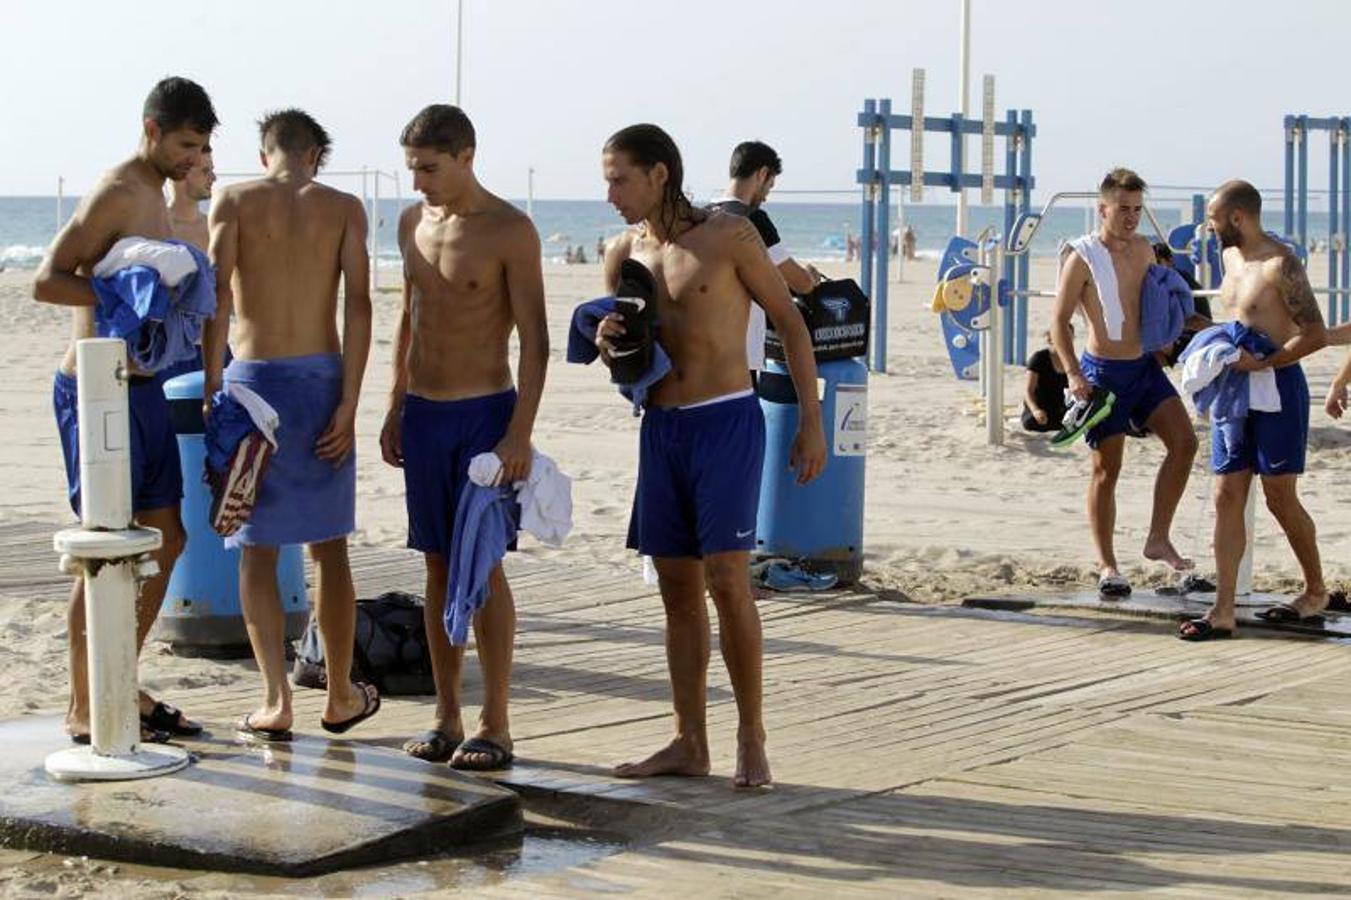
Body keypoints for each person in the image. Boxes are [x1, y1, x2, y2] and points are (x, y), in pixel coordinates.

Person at [596, 124, 827, 788]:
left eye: (619, 179)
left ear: (659, 174)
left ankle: (750, 737)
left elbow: (789, 320)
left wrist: (809, 421)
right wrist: (613, 343)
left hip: (725, 421)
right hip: (662, 429)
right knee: (675, 590)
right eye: (606, 179)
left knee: (727, 582)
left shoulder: (728, 236)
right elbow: (627, 359)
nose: (609, 194)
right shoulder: (623, 254)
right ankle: (687, 741)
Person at [32, 76, 217, 744]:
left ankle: (119, 679)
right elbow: (47, 279)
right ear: (152, 130)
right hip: (92, 389)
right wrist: (118, 292)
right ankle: (86, 703)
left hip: (144, 390)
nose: (192, 157)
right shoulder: (118, 190)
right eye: (184, 144)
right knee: (104, 549)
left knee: (169, 539)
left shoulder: (163, 196)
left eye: (200, 146)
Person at [382, 105, 548, 770]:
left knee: (483, 562)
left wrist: (519, 434)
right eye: (412, 168)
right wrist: (394, 404)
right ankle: (446, 714)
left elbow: (535, 341)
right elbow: (407, 317)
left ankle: (495, 722)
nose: (419, 181)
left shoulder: (509, 229)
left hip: (484, 412)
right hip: (423, 411)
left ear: (465, 156)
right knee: (435, 563)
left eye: (429, 167)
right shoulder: (409, 223)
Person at [204, 108, 378, 740]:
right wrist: (350, 403)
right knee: (329, 548)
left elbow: (216, 296)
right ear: (316, 156)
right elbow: (358, 305)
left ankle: (276, 699)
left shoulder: (234, 198)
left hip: (252, 382)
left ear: (264, 153)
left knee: (255, 549)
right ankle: (337, 694)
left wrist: (211, 384)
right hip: (322, 383)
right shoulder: (342, 206)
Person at [1179, 180, 1328, 640]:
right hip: (1235, 388)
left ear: (1238, 217)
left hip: (1279, 386)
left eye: (1214, 218)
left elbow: (1315, 333)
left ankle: (1316, 590)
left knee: (1281, 498)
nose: (1209, 226)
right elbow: (1240, 319)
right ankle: (1222, 609)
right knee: (1227, 493)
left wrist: (1266, 361)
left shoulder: (1282, 264)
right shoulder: (1228, 259)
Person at [1050, 168, 1198, 597]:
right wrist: (1075, 375)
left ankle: (1158, 537)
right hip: (1102, 372)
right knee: (1106, 470)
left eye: (1137, 209)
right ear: (1103, 209)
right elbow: (1059, 323)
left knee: (1185, 443)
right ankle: (1108, 564)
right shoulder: (1082, 256)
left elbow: (1152, 307)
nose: (1132, 217)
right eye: (1124, 209)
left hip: (1144, 368)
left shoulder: (1146, 252)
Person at [707, 141, 822, 371]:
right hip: (740, 351)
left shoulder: (701, 215)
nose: (767, 196)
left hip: (704, 347)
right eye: (769, 186)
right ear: (762, 174)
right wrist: (811, 277)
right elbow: (798, 281)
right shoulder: (753, 219)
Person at [1022, 326, 1071, 433]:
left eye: (1069, 337)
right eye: (1063, 336)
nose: (1066, 340)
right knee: (1032, 422)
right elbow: (1028, 391)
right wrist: (1035, 410)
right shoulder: (1039, 358)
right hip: (1040, 410)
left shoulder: (1071, 360)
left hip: (1060, 411)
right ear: (1050, 339)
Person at [168, 145, 215, 251]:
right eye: (205, 171)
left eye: (211, 170)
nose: (213, 178)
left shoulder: (214, 229)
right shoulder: (154, 229)